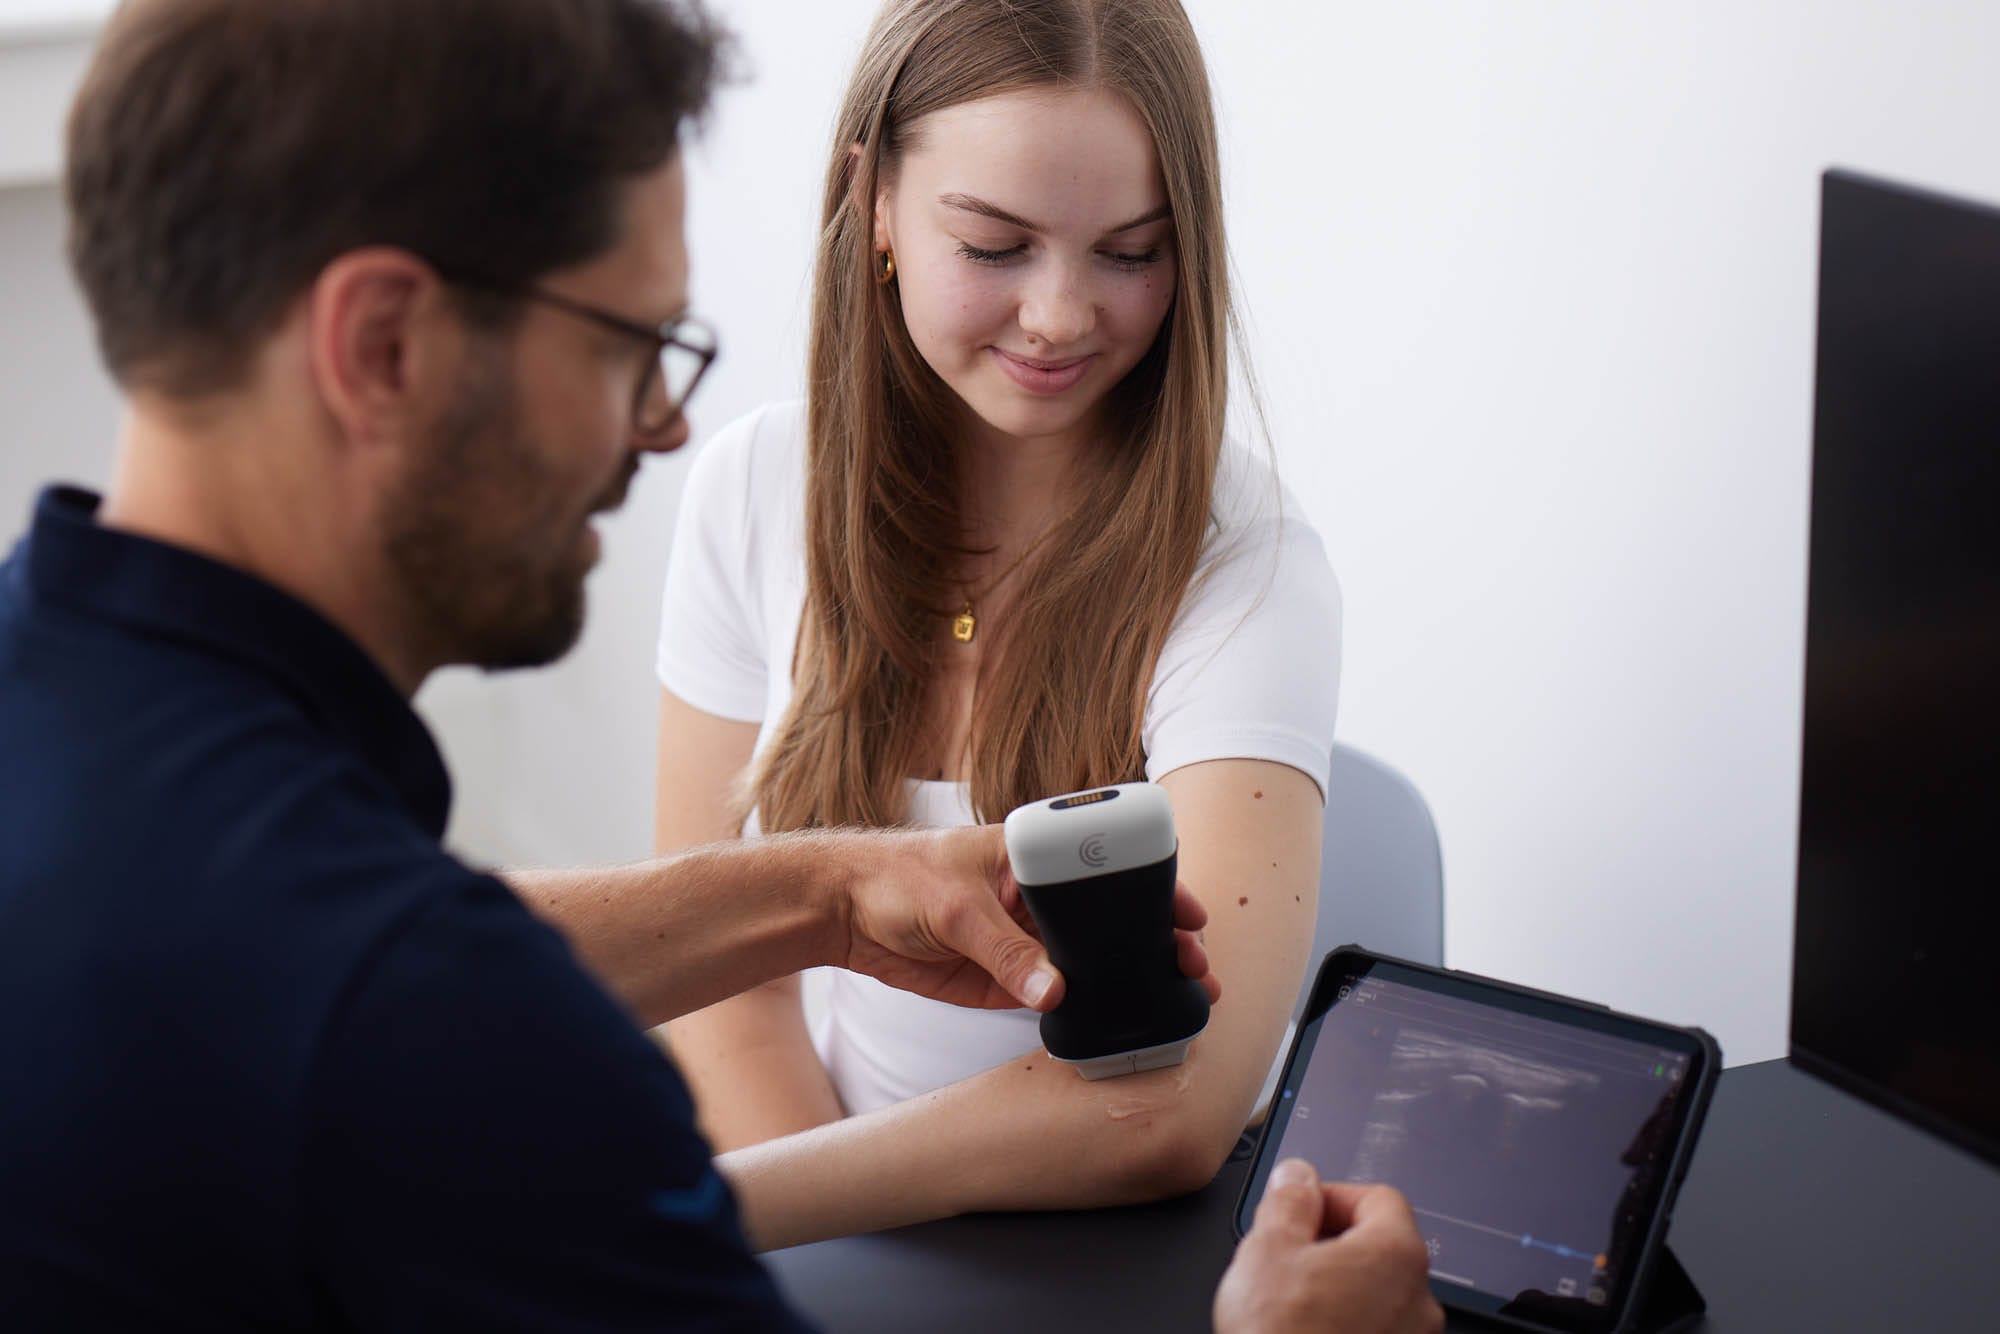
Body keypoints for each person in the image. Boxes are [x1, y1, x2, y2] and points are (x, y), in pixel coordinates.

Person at [0, 1, 1438, 1331]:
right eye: (632, 346)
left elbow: (349, 935)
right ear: (382, 344)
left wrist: (816, 893)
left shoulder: (90, 764)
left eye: (1126, 247)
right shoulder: (443, 1067)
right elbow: (408, 975)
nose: (664, 427)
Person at [657, 0, 1343, 1247]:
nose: (1059, 314)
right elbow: (715, 982)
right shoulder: (752, 488)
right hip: (834, 1216)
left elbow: (1170, 1107)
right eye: (993, 245)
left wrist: (715, 1219)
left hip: (1126, 1254)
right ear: (871, 201)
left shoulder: (1250, 564)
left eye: (1129, 252)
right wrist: (829, 1276)